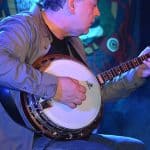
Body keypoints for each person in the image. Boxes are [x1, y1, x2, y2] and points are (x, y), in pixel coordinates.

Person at [0, 0, 150, 150]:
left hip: (64, 136)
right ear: (72, 4)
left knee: (134, 147)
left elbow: (89, 93)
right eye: (93, 5)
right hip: (27, 141)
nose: (98, 12)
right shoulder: (23, 26)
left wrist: (136, 74)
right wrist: (56, 87)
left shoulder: (74, 42)